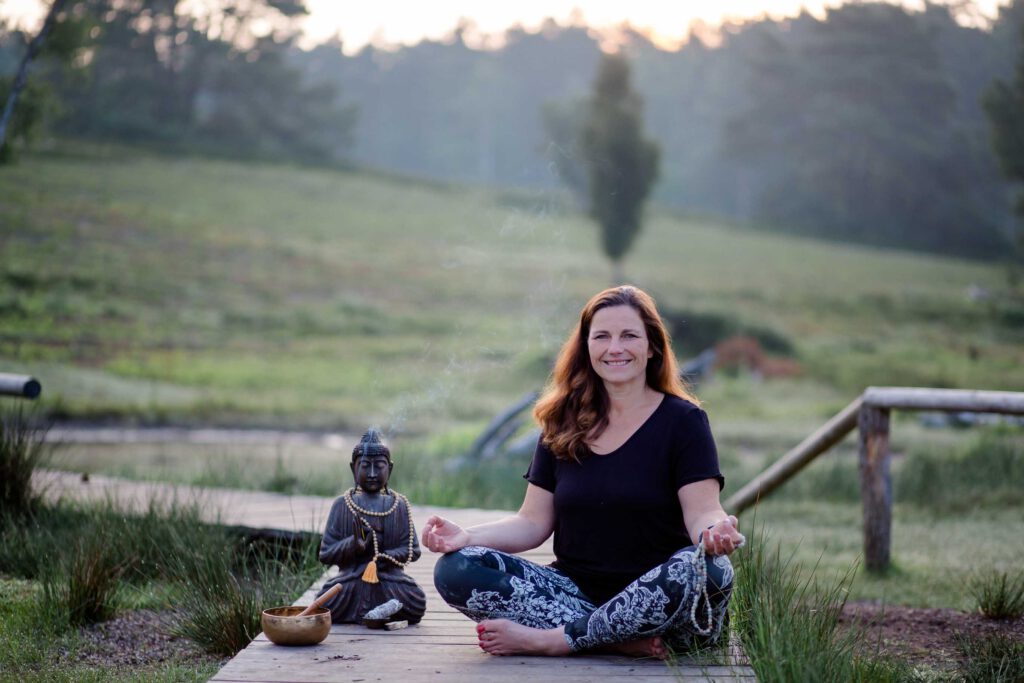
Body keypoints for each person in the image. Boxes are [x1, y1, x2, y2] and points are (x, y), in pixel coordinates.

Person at [422, 285, 743, 658]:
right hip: (572, 592)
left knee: (707, 570)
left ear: (652, 346)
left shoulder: (685, 422)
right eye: (602, 336)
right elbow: (531, 523)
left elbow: (703, 511)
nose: (615, 348)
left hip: (659, 598)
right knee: (457, 569)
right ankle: (619, 640)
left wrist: (714, 533)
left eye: (629, 336)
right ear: (587, 347)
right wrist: (466, 536)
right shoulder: (561, 421)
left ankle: (553, 639)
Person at [315, 428, 426, 625]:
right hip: (351, 579)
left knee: (416, 601)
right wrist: (353, 545)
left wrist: (381, 559)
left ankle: (380, 611)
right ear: (353, 468)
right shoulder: (342, 504)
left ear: (390, 469)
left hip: (389, 579)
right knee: (325, 601)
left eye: (379, 466)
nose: (373, 473)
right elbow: (325, 554)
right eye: (365, 466)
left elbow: (413, 551)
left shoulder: (399, 505)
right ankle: (380, 612)